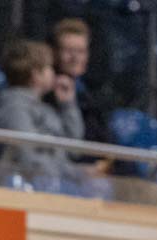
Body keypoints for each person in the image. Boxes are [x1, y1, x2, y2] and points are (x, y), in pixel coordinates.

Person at [0, 39, 83, 184]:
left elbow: (73, 150)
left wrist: (68, 105)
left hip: (56, 182)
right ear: (36, 75)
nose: (54, 73)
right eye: (49, 68)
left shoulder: (45, 108)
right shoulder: (13, 108)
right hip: (26, 187)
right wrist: (74, 174)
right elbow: (27, 158)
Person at [48, 18, 107, 146]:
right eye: (68, 51)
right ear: (55, 53)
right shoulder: (45, 91)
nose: (75, 58)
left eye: (81, 51)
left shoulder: (92, 94)